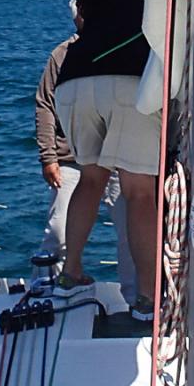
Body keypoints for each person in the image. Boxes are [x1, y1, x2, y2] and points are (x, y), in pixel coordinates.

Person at [54, 0, 160, 320]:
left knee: (90, 179)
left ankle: (70, 273)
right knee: (139, 191)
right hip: (128, 82)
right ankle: (147, 297)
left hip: (73, 84)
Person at [33, 16, 138, 305]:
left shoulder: (124, 48)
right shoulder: (61, 55)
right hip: (71, 158)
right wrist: (48, 156)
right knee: (58, 230)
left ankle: (136, 295)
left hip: (117, 158)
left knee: (130, 230)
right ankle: (56, 283)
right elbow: (45, 104)